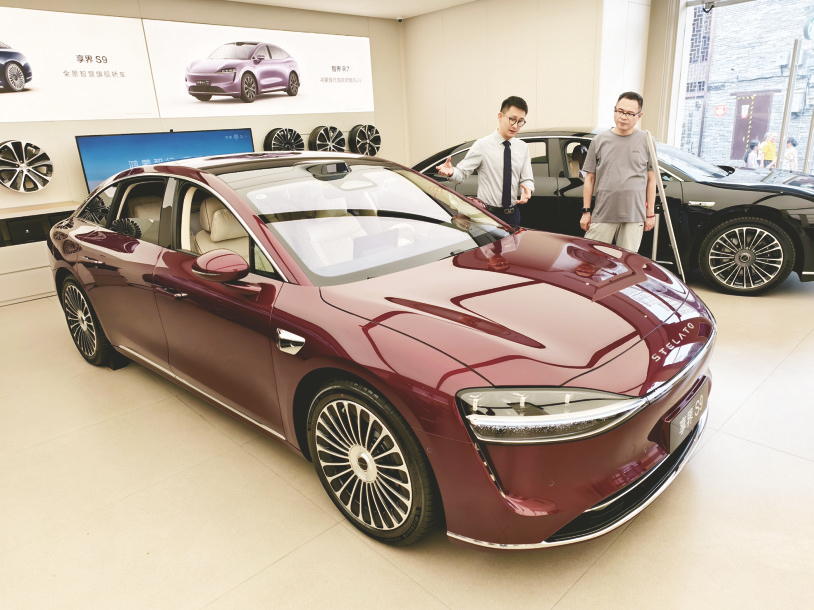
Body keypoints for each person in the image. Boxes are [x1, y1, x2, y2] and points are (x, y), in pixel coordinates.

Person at [435, 96, 534, 225]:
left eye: (520, 121)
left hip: (513, 215)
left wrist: (528, 189)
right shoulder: (482, 145)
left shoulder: (523, 147)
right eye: (512, 119)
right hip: (488, 215)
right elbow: (462, 174)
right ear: (500, 116)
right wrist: (452, 172)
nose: (515, 126)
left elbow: (527, 179)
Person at [580, 91, 656, 252]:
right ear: (614, 110)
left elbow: (651, 179)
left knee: (627, 262)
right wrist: (586, 211)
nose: (623, 117)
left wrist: (650, 214)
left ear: (639, 116)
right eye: (620, 111)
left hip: (634, 216)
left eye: (629, 113)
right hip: (604, 213)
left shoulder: (647, 140)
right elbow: (589, 178)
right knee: (593, 258)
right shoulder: (599, 141)